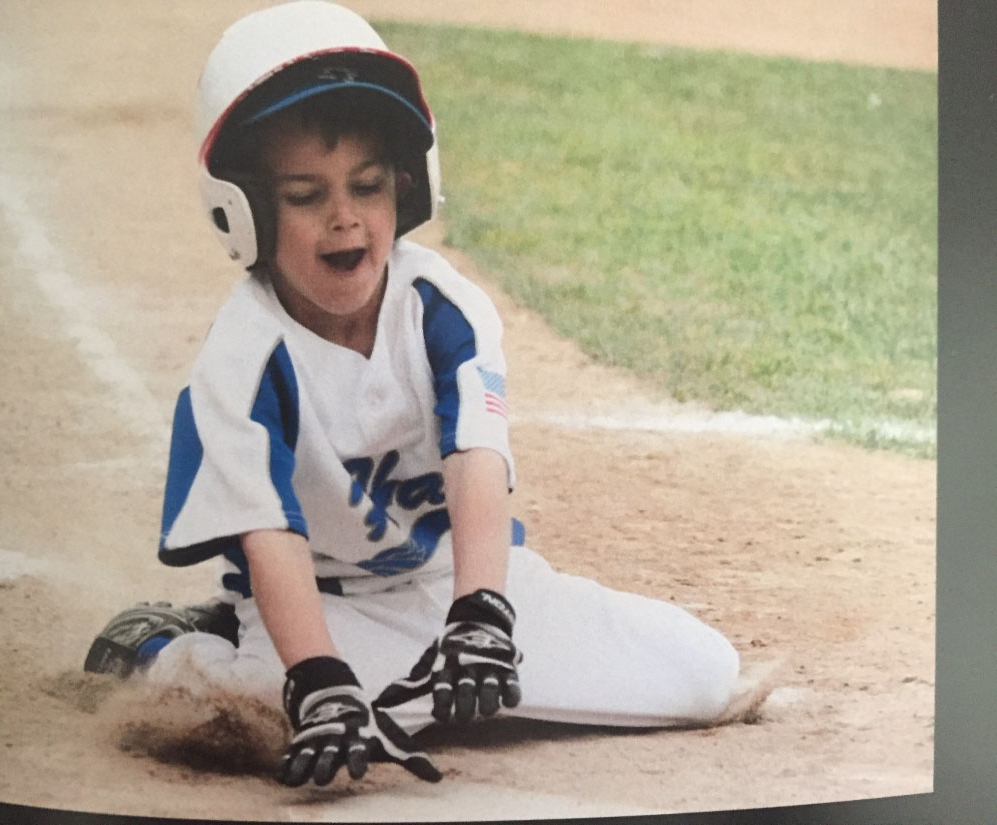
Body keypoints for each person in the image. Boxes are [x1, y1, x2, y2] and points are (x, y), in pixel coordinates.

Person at [86, 0, 740, 788]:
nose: (344, 217)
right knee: (266, 719)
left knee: (703, 675)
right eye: (304, 195)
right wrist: (319, 675)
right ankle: (171, 645)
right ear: (246, 209)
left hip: (450, 579)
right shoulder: (241, 359)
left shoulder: (442, 308)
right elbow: (271, 535)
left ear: (408, 186)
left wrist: (483, 615)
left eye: (367, 185)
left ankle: (431, 679)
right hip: (325, 607)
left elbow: (476, 460)